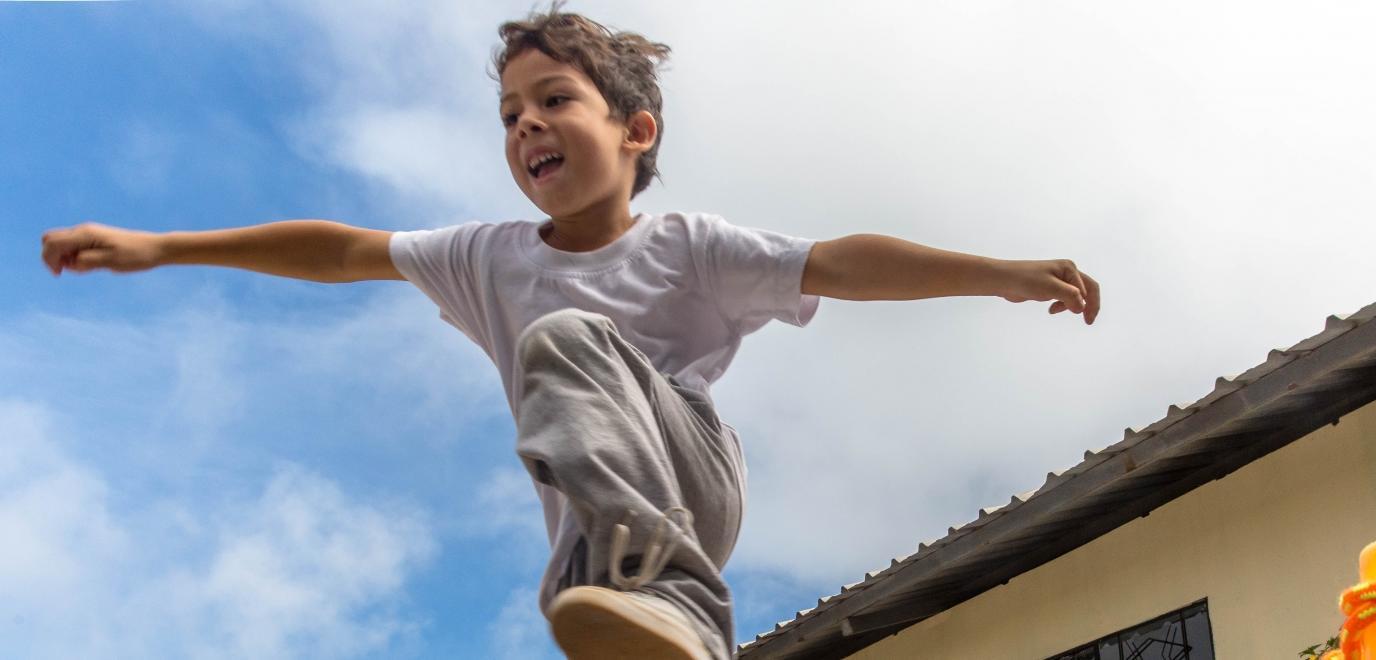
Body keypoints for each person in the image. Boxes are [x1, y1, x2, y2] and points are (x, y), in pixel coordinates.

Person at [39, 6, 1100, 659]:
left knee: (564, 340)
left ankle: (680, 601)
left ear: (635, 133)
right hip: (598, 550)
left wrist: (994, 274)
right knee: (581, 605)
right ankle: (654, 623)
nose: (525, 125)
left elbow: (838, 260)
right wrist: (160, 245)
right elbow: (339, 248)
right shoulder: (489, 253)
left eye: (553, 100)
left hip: (689, 479)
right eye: (508, 114)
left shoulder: (690, 243)